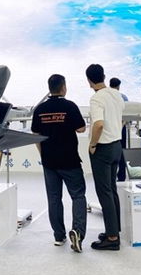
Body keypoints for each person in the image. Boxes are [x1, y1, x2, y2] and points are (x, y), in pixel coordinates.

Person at [31, 74, 87, 252]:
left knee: (54, 198)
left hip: (49, 161)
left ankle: (59, 236)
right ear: (63, 88)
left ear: (50, 88)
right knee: (78, 196)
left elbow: (35, 135)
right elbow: (81, 128)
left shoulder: (40, 109)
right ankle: (78, 233)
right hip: (70, 160)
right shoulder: (70, 106)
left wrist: (43, 154)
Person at [86, 64, 124, 251]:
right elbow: (121, 118)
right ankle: (114, 229)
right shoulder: (116, 94)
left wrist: (93, 144)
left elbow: (99, 124)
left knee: (104, 192)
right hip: (117, 146)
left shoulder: (96, 98)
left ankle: (112, 238)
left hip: (103, 149)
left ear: (89, 80)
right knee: (112, 189)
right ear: (104, 76)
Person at [109, 78, 128, 182]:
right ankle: (122, 175)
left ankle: (111, 175)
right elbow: (126, 113)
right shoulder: (123, 97)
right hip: (121, 126)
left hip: (110, 126)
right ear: (118, 86)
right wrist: (122, 125)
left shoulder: (106, 96)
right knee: (122, 150)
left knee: (110, 150)